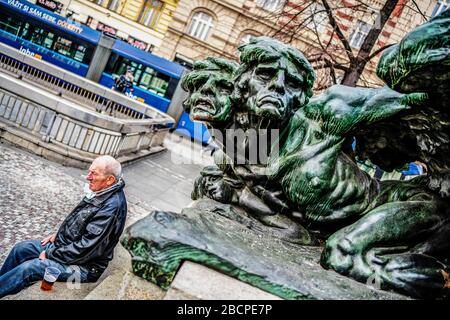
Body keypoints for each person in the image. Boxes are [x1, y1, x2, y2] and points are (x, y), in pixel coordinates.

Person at [0, 155, 127, 298]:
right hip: (68, 248)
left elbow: (85, 249)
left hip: (84, 267)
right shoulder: (103, 191)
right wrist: (60, 235)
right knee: (21, 249)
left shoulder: (112, 208)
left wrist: (49, 254)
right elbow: (80, 220)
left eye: (94, 173)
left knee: (31, 268)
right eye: (89, 171)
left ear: (109, 179)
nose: (88, 177)